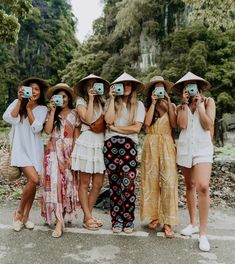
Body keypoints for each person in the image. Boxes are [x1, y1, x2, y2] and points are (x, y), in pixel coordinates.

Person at [174, 72, 215, 251]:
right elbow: (180, 125)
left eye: (193, 85)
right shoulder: (180, 106)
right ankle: (192, 223)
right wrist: (185, 105)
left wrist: (199, 106)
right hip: (185, 147)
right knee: (189, 185)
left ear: (199, 87)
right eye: (186, 86)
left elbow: (208, 125)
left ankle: (203, 234)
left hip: (202, 148)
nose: (190, 89)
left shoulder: (208, 102)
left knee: (203, 187)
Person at [2, 77, 49, 231]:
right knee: (34, 179)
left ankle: (26, 217)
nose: (33, 92)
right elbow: (9, 118)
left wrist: (29, 109)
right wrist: (20, 101)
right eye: (31, 89)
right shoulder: (18, 103)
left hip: (35, 150)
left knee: (33, 182)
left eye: (37, 89)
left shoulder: (43, 109)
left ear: (40, 92)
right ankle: (19, 213)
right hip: (20, 149)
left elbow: (36, 128)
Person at [104, 72, 145, 233]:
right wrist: (113, 98)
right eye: (122, 85)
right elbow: (108, 121)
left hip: (129, 146)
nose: (126, 87)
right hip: (111, 145)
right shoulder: (110, 102)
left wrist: (115, 128)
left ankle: (128, 219)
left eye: (128, 85)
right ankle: (116, 220)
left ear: (133, 87)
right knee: (114, 184)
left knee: (127, 183)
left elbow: (136, 128)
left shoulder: (139, 105)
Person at [140, 76, 178, 238]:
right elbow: (146, 124)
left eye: (162, 89)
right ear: (152, 92)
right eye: (156, 89)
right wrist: (154, 103)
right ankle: (154, 217)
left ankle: (168, 221)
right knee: (150, 181)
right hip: (151, 144)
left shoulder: (171, 105)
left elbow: (175, 125)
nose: (159, 92)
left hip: (167, 144)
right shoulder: (147, 106)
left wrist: (169, 104)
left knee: (169, 182)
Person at [40, 83, 80, 238]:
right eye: (58, 97)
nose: (61, 99)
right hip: (52, 151)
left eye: (64, 96)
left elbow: (76, 137)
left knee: (66, 185)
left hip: (68, 151)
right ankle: (58, 221)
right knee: (55, 184)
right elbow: (48, 131)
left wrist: (73, 156)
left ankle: (60, 215)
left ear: (69, 98)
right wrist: (52, 111)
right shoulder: (51, 113)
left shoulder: (75, 113)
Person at [71, 74, 110, 230]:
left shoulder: (104, 102)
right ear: (85, 88)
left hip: (100, 142)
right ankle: (87, 217)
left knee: (98, 184)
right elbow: (87, 118)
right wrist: (91, 99)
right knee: (85, 183)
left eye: (96, 84)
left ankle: (89, 214)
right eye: (90, 85)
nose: (93, 87)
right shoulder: (81, 101)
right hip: (87, 141)